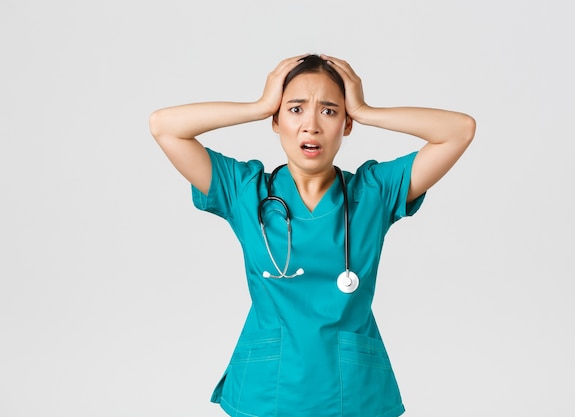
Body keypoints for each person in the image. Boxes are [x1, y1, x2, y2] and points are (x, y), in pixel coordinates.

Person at [149, 53, 475, 417]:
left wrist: (366, 111)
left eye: (329, 111)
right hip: (267, 391)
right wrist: (258, 105)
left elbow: (459, 130)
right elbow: (165, 126)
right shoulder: (245, 191)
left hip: (353, 395)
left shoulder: (374, 194)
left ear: (346, 124)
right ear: (276, 119)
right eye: (295, 109)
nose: (311, 126)